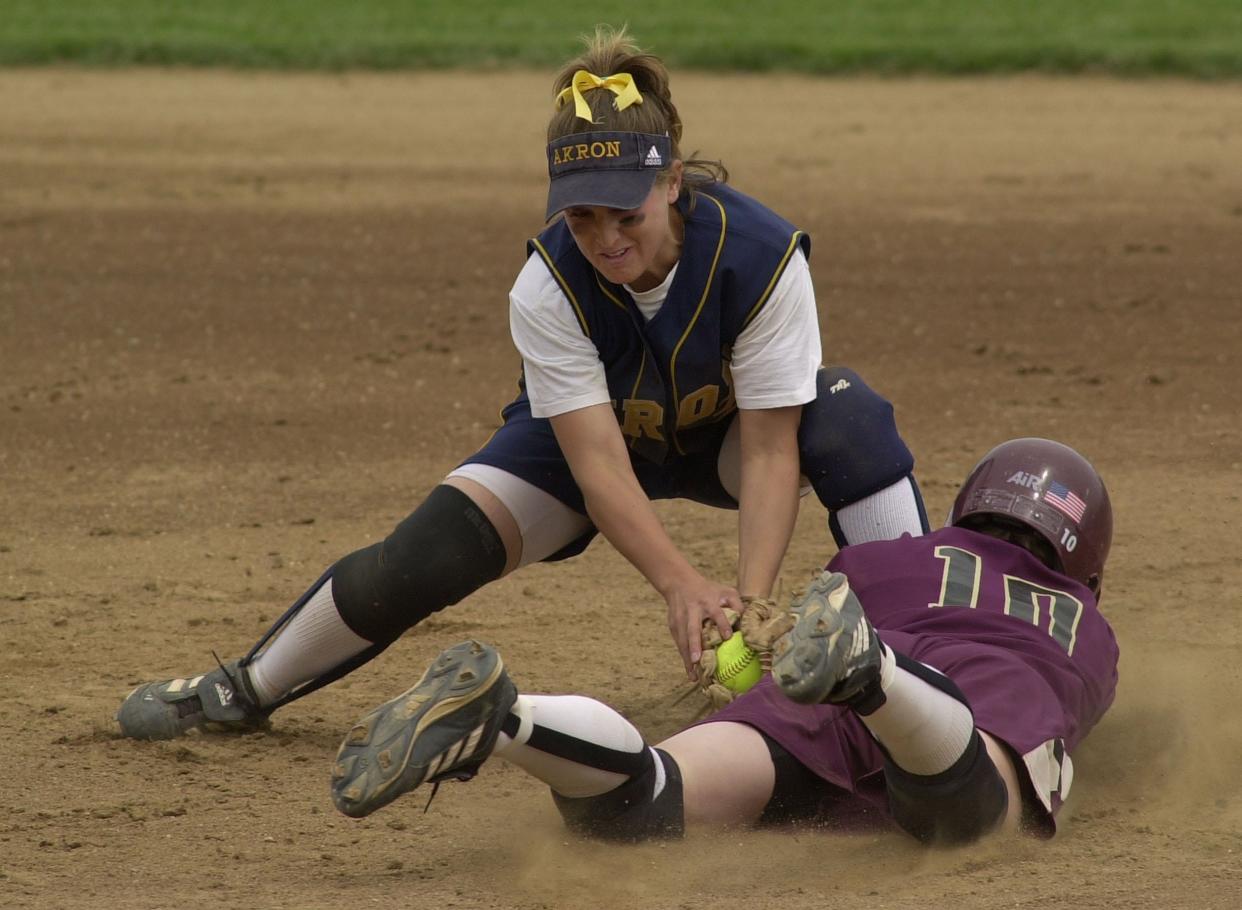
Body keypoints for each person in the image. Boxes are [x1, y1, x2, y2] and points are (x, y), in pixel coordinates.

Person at [116, 27, 928, 741]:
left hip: (727, 440)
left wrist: (748, 606)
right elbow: (600, 466)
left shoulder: (760, 256)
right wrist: (680, 585)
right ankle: (245, 688)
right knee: (417, 558)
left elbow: (767, 447)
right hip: (589, 447)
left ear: (672, 181)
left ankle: (931, 665)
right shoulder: (550, 285)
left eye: (625, 213)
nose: (606, 239)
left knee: (848, 419)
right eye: (583, 217)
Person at [330, 438, 1117, 845]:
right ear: (1086, 568)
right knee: (973, 820)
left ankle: (506, 720)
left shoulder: (886, 559)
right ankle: (875, 677)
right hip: (964, 700)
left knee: (645, 804)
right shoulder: (1087, 631)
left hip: (854, 670)